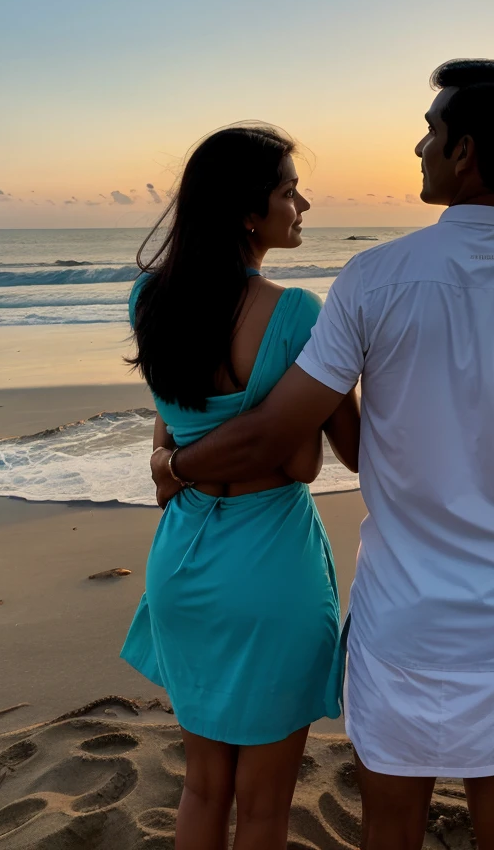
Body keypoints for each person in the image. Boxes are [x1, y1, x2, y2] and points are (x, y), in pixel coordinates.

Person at [151, 62, 494, 850]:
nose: (419, 145)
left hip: (403, 623)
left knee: (390, 830)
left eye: (431, 131)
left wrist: (175, 468)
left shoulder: (374, 279)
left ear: (464, 152)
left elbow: (275, 431)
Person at [121, 124, 360, 850]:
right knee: (262, 807)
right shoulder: (297, 313)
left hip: (185, 558)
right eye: (289, 191)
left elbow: (169, 422)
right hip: (271, 564)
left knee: (201, 787)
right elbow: (310, 460)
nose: (303, 205)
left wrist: (174, 464)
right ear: (248, 212)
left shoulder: (149, 300)